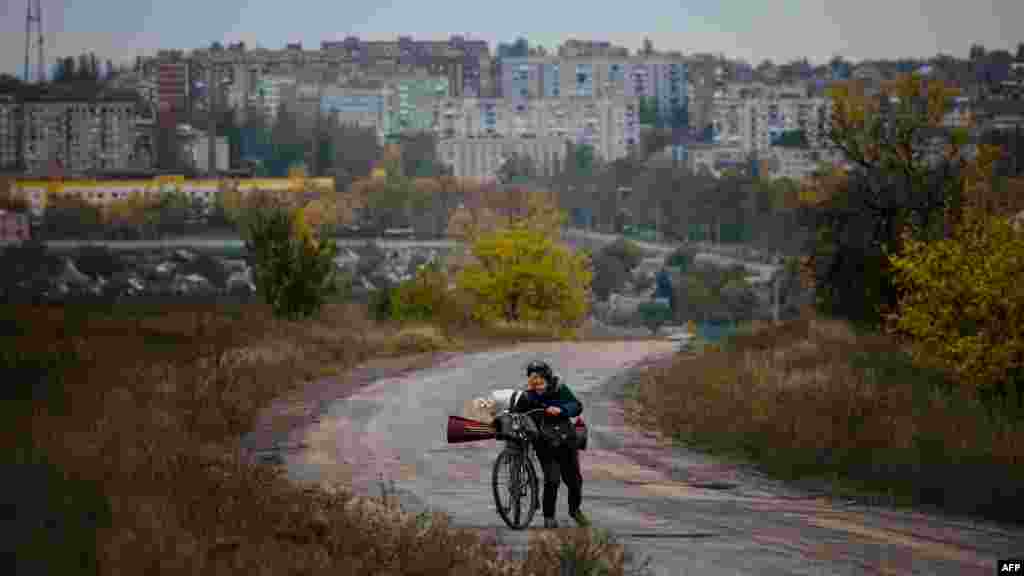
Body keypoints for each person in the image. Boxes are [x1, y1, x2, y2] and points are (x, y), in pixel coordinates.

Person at [510, 360, 590, 529]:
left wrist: (562, 410)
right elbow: (515, 417)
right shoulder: (526, 397)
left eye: (539, 380)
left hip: (566, 440)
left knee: (574, 480)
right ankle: (549, 517)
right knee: (552, 479)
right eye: (533, 380)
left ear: (547, 378)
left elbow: (576, 406)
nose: (536, 384)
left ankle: (575, 510)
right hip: (544, 444)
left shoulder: (559, 389)